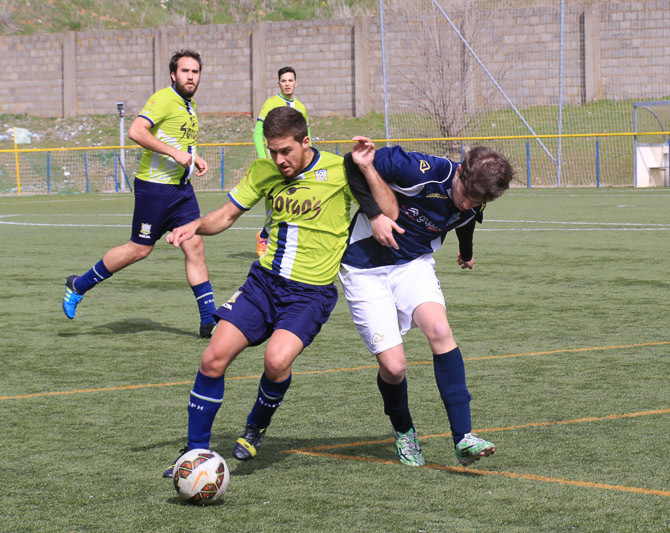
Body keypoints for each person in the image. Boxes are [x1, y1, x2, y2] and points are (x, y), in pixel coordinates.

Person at [161, 107, 384, 477]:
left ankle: (256, 426)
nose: (279, 160)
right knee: (212, 358)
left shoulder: (340, 170)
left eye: (286, 151)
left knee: (276, 362)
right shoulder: (263, 171)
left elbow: (387, 209)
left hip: (309, 294)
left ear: (305, 142)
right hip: (263, 284)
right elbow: (226, 215)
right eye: (272, 151)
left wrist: (369, 170)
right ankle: (194, 452)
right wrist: (195, 225)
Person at [340, 144, 514, 467]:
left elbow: (466, 218)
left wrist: (466, 251)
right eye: (466, 194)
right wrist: (375, 215)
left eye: (478, 201)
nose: (468, 203)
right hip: (364, 267)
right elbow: (352, 163)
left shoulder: (476, 196)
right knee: (394, 368)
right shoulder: (419, 169)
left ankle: (464, 438)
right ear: (459, 171)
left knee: (440, 330)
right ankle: (404, 430)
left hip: (412, 265)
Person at [61, 49, 217, 338]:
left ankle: (209, 322)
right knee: (140, 249)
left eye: (195, 71)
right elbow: (136, 131)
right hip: (155, 189)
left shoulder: (189, 105)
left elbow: (174, 139)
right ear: (173, 75)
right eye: (185, 71)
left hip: (181, 190)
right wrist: (175, 154)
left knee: (194, 246)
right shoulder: (164, 98)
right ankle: (78, 286)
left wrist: (193, 157)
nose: (191, 76)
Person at [253, 66, 310, 258]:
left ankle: (293, 244)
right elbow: (258, 133)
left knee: (299, 203)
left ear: (296, 83)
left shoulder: (300, 107)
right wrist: (264, 158)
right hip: (276, 163)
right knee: (276, 203)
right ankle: (264, 236)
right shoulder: (271, 103)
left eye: (290, 80)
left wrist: (308, 157)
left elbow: (307, 135)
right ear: (279, 83)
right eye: (284, 81)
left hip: (297, 164)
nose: (287, 84)